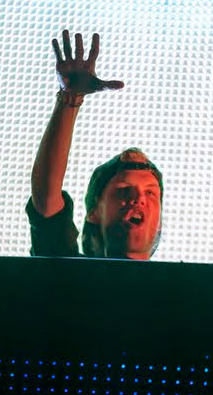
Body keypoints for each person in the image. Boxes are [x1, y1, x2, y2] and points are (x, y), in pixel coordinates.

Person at [26, 29, 163, 260]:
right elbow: (46, 201)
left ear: (160, 222)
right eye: (123, 190)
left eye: (150, 193)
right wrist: (70, 98)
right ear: (94, 213)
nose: (139, 198)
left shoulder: (182, 283)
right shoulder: (71, 274)